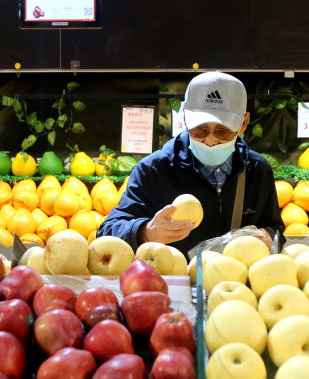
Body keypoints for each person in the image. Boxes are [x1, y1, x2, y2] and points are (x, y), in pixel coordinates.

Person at [98, 71, 283, 255]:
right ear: (185, 118)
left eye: (222, 131)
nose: (210, 140)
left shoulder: (258, 170)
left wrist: (268, 238)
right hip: (171, 281)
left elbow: (276, 230)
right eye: (200, 129)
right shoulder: (153, 170)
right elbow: (107, 232)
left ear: (243, 123)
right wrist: (145, 233)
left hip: (234, 282)